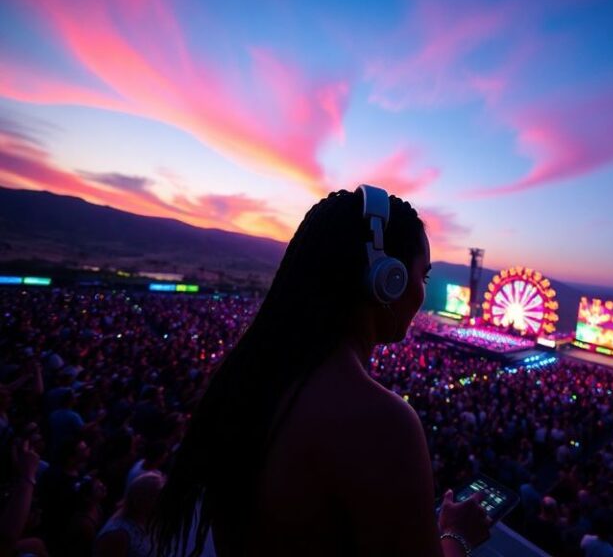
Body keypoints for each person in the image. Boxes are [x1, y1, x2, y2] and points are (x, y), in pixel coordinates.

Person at [150, 187, 491, 556]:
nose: (421, 293)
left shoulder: (255, 381)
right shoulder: (381, 421)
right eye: (421, 277)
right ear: (386, 277)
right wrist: (456, 535)